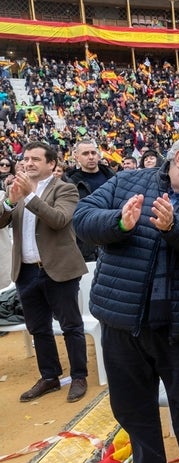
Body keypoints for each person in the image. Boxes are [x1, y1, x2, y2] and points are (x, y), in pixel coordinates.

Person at [72, 132, 179, 463]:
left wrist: (175, 227)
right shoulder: (127, 182)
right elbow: (82, 219)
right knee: (132, 402)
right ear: (178, 158)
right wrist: (119, 223)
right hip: (124, 321)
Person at [1, 140, 89, 403]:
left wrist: (29, 196)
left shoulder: (66, 189)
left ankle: (79, 376)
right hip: (26, 270)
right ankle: (49, 376)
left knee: (71, 325)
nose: (28, 163)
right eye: (25, 159)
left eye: (35, 159)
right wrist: (8, 201)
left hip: (58, 269)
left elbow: (59, 220)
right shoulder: (14, 188)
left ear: (51, 164)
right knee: (38, 328)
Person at [63, 139, 115, 260]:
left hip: (112, 237)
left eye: (93, 153)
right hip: (86, 246)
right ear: (76, 157)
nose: (90, 157)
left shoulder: (113, 177)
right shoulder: (71, 183)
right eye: (85, 154)